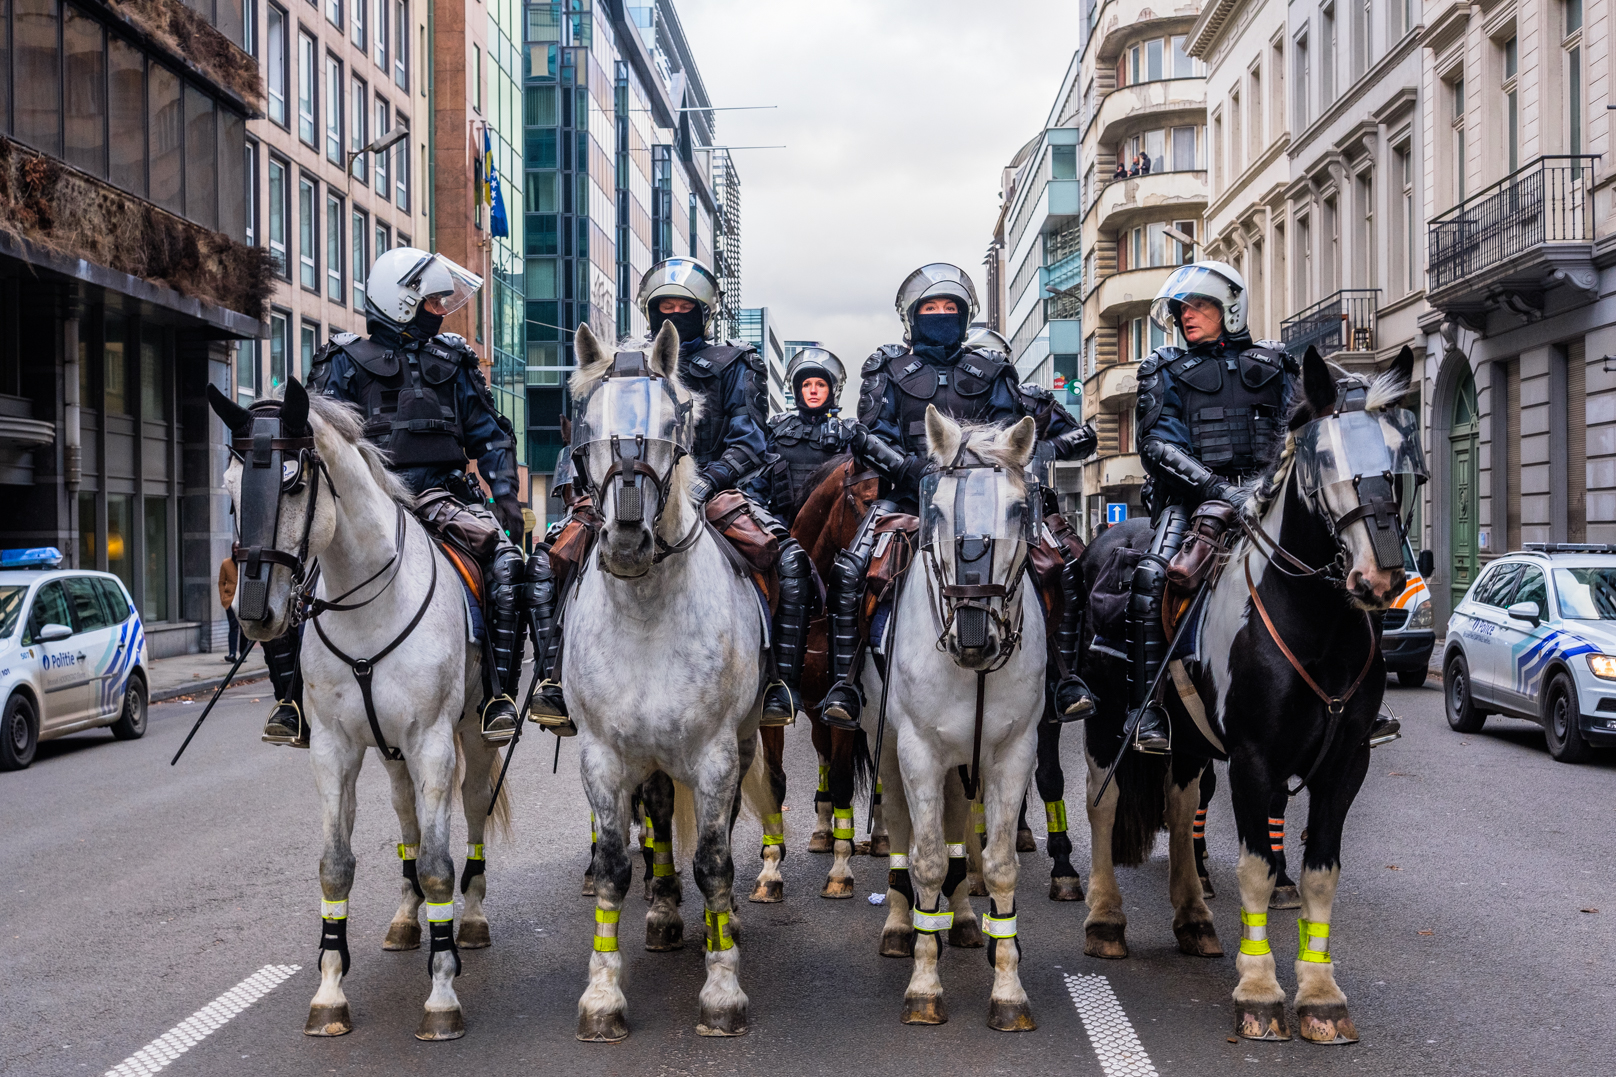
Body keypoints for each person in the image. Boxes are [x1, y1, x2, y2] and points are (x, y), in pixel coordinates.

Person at [256, 247, 529, 748]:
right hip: (363, 509)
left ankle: (496, 695)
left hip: (442, 498)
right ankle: (291, 703)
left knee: (507, 565)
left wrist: (506, 493)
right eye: (432, 301)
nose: (441, 309)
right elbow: (317, 440)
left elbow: (490, 436)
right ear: (401, 302)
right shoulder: (341, 363)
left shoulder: (455, 360)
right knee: (293, 573)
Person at [527, 257, 815, 730]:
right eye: (664, 305)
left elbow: (750, 441)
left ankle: (777, 683)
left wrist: (702, 483)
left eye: (684, 305)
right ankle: (553, 679)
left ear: (704, 312)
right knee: (546, 560)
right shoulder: (621, 366)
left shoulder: (736, 364)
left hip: (716, 491)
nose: (672, 313)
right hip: (629, 490)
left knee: (787, 559)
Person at [817, 263, 1099, 729]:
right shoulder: (885, 367)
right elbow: (869, 435)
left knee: (1059, 564)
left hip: (985, 501)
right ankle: (847, 684)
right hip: (907, 497)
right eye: (931, 307)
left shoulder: (992, 369)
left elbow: (1011, 433)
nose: (941, 314)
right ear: (912, 315)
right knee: (851, 569)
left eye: (951, 307)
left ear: (966, 316)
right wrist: (912, 469)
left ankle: (1063, 679)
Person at [1127, 261, 1297, 753]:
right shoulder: (1162, 368)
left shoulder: (1277, 362)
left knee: (1339, 559)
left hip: (1269, 493)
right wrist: (1221, 492)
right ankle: (1148, 709)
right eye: (1182, 308)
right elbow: (1158, 445)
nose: (1188, 316)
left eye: (1199, 306)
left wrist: (1270, 485)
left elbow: (1298, 426)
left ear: (1232, 308)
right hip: (1195, 501)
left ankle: (1364, 698)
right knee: (1152, 577)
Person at [218, 556, 241, 662]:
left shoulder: (244, 561)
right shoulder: (226, 563)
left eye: (237, 547)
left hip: (243, 599)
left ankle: (242, 653)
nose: (236, 550)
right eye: (234, 548)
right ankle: (232, 653)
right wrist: (224, 598)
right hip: (230, 600)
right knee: (233, 626)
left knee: (244, 628)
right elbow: (221, 582)